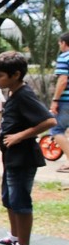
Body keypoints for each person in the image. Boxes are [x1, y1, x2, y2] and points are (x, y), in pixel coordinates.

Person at [0, 51, 56, 245]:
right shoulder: (14, 92)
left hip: (23, 157)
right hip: (11, 158)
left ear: (15, 75)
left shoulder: (24, 94)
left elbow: (49, 121)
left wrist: (20, 136)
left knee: (20, 201)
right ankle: (15, 237)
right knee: (9, 198)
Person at [50, 32, 69, 173]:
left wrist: (55, 100)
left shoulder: (64, 57)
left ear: (63, 43)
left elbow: (63, 80)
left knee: (57, 130)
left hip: (66, 100)